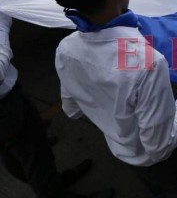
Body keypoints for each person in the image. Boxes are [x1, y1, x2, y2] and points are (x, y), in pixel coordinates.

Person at [44, 0, 177, 197]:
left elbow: (72, 109)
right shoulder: (147, 62)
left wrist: (110, 110)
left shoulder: (66, 49)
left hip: (124, 154)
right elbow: (160, 148)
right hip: (167, 164)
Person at [0, 13, 113, 198]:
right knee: (36, 160)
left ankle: (54, 183)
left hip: (7, 102)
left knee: (14, 154)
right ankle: (53, 191)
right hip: (6, 109)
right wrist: (2, 24)